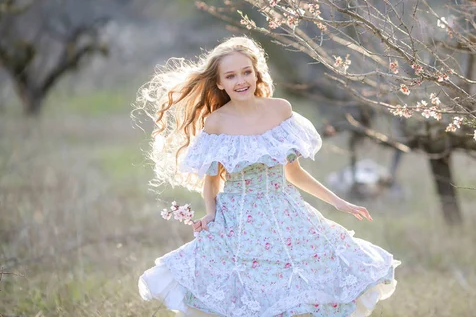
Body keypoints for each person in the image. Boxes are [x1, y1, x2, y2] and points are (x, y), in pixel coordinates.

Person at [136, 36, 401, 316]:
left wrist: (339, 203)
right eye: (231, 75)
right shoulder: (216, 123)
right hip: (238, 218)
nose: (241, 81)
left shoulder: (280, 110)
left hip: (286, 210)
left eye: (246, 72)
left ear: (256, 72)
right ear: (219, 83)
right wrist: (211, 214)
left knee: (306, 285)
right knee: (251, 294)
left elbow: (294, 173)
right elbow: (212, 181)